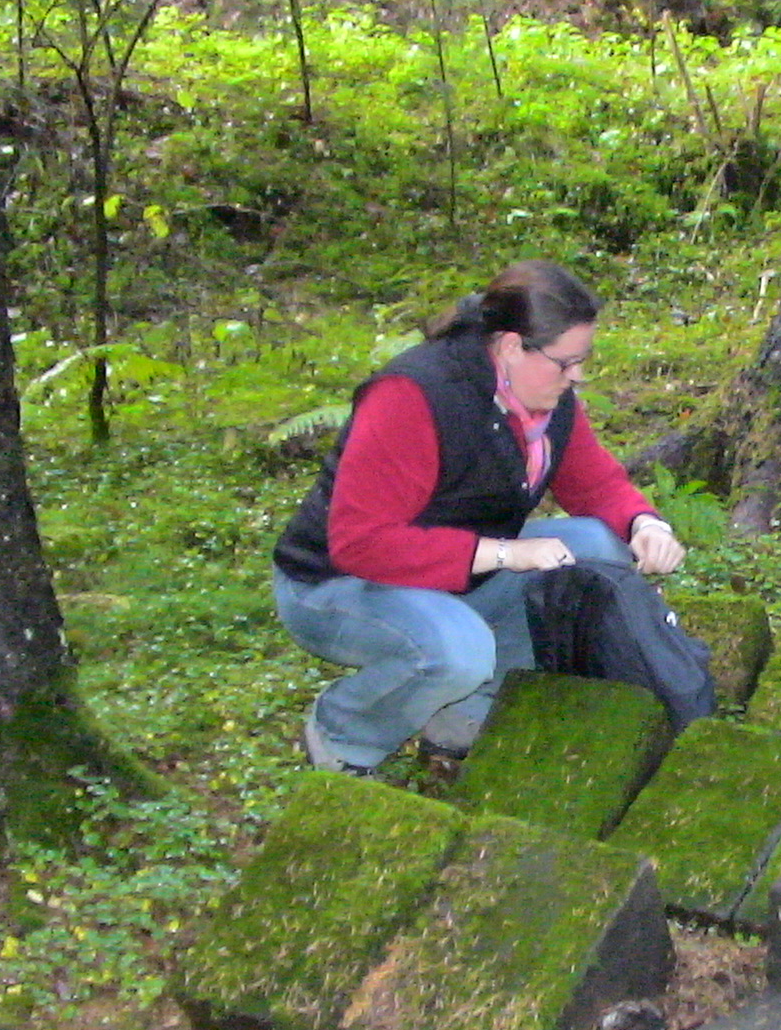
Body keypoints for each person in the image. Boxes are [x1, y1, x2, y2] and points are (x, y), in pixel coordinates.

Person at [271, 260, 685, 773]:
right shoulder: (413, 395)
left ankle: (462, 715)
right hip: (333, 586)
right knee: (457, 649)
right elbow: (361, 543)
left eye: (583, 360)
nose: (577, 376)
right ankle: (343, 734)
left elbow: (594, 484)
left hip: (453, 569)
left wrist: (645, 524)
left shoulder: (544, 397)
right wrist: (506, 553)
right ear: (511, 346)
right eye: (565, 363)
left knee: (598, 548)